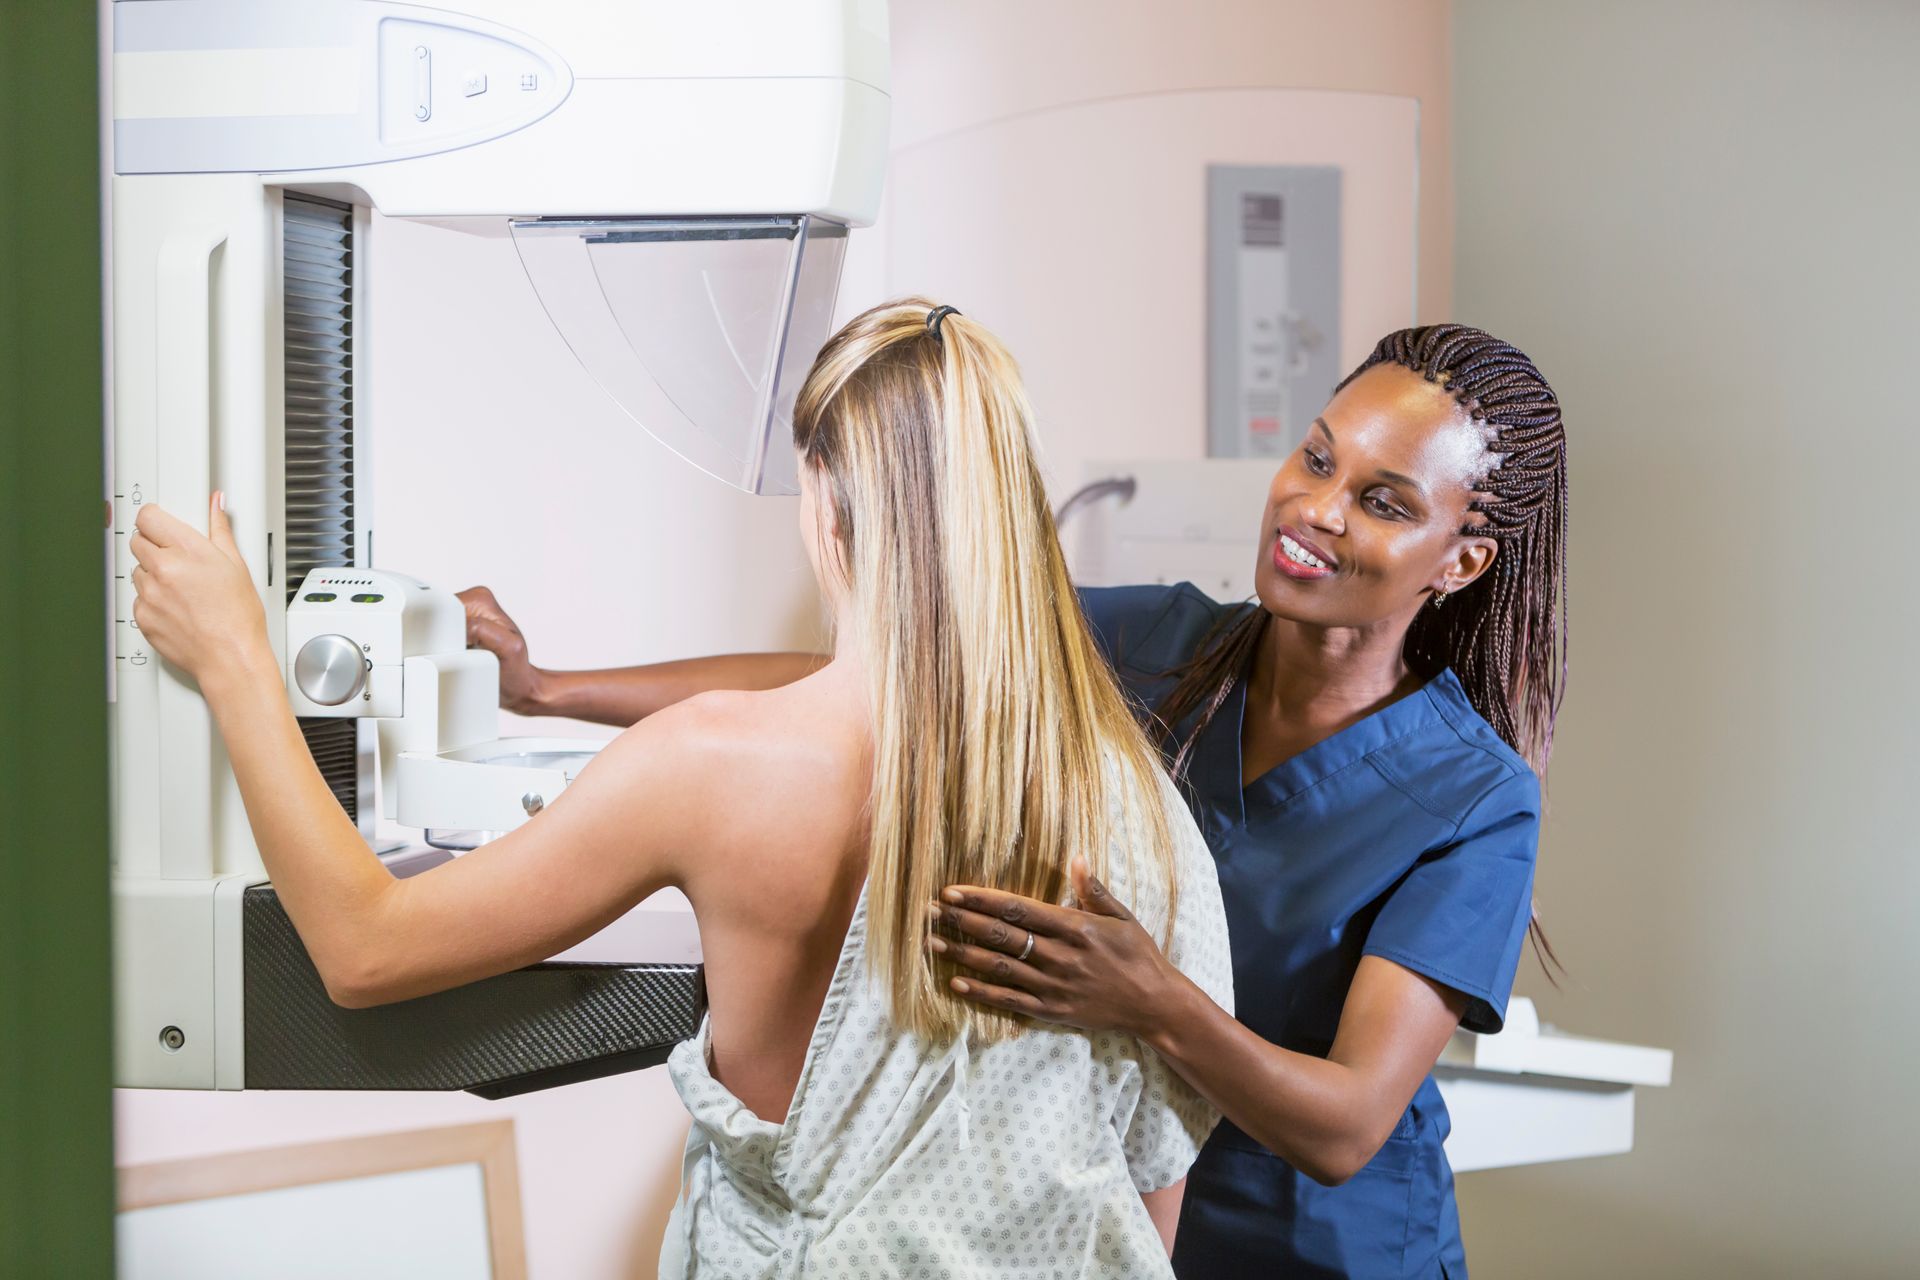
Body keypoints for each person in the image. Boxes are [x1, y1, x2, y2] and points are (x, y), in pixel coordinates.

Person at [127, 298, 1234, 1279]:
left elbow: (366, 950)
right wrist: (549, 688)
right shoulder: (1144, 807)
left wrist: (238, 664)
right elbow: (1150, 1186)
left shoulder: (710, 766)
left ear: (825, 504)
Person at [470, 324, 1567, 1277]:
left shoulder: (1474, 797)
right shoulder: (1155, 645)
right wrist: (552, 687)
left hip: (1322, 1251)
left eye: (1379, 501)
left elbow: (1345, 1124)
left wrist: (1152, 997)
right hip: (1129, 1224)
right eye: (1316, 457)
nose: (1315, 508)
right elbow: (859, 685)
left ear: (1462, 560)